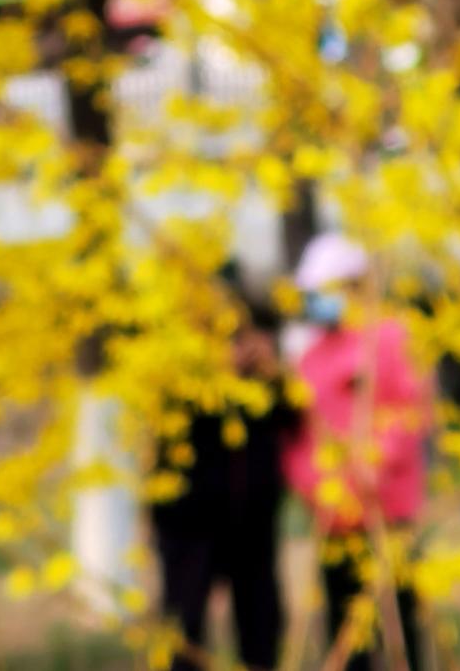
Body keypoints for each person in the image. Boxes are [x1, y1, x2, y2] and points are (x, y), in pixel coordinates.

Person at [284, 234, 431, 671]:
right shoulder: (309, 358)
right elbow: (298, 440)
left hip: (388, 509)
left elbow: (411, 412)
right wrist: (315, 488)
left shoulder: (390, 340)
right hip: (335, 518)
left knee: (400, 625)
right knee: (345, 633)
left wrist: (375, 462)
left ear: (355, 286)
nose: (320, 302)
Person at [151, 279, 290, 671]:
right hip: (189, 524)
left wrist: (271, 372)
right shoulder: (175, 367)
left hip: (252, 524)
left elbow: (293, 415)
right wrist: (215, 374)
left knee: (261, 626)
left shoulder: (266, 377)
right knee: (183, 625)